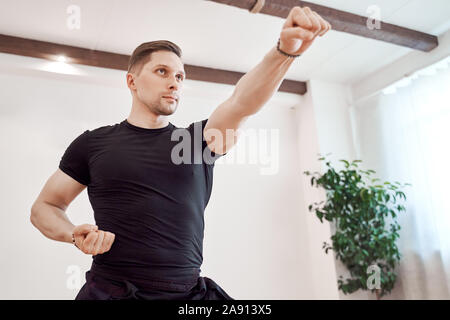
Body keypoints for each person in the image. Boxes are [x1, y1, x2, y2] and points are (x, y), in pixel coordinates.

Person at [30, 6, 331, 300]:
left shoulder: (194, 143)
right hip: (112, 290)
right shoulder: (93, 144)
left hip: (188, 294)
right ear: (132, 81)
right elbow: (45, 207)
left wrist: (285, 51)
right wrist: (73, 234)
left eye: (180, 76)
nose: (174, 82)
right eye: (162, 71)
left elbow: (241, 103)